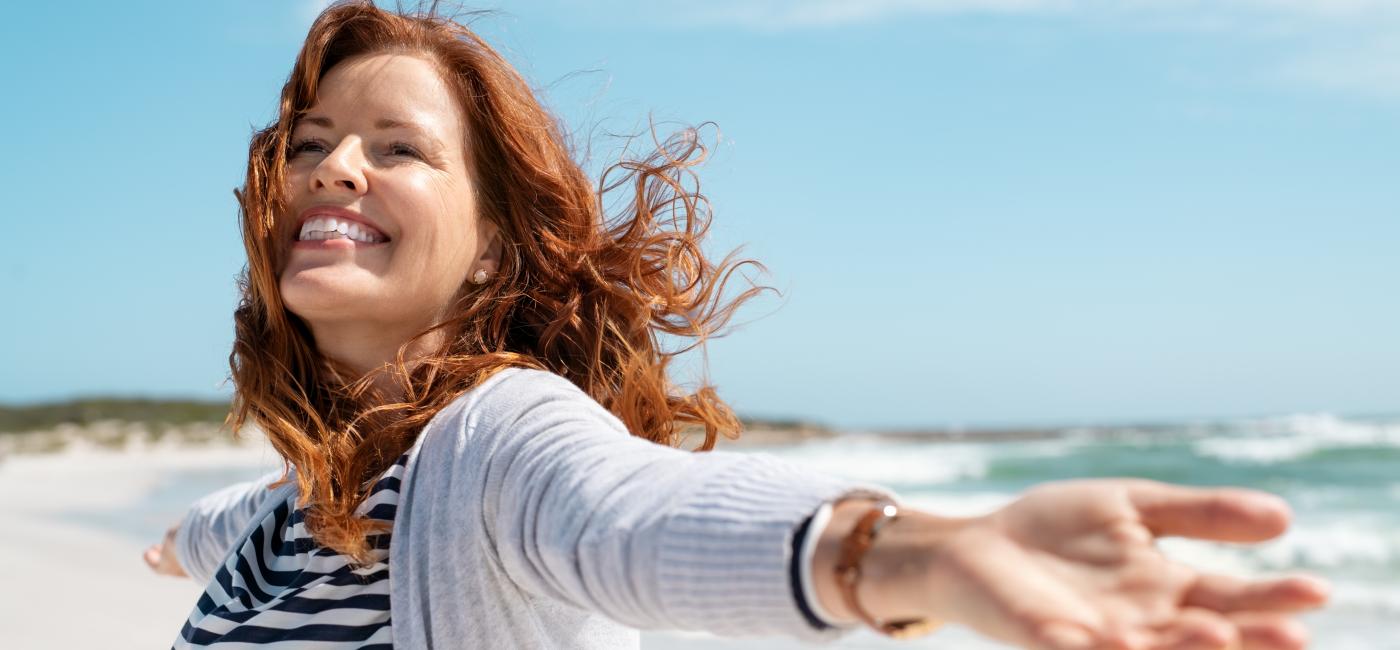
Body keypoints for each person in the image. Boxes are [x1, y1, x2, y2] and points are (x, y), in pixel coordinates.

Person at [144, 2, 1330, 648]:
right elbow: (224, 523)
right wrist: (171, 540)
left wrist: (904, 555)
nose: (334, 169)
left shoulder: (492, 444)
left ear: (497, 242)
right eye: (309, 146)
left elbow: (632, 514)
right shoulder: (303, 500)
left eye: (396, 147)